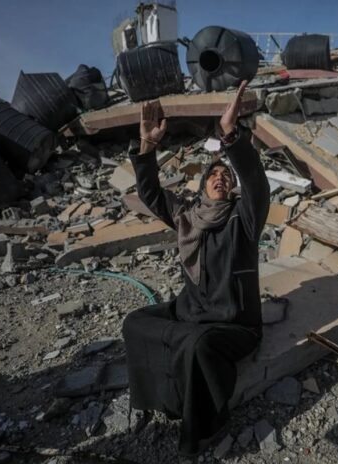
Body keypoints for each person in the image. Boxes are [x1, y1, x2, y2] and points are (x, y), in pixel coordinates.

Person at [122, 81, 269, 457]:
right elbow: (152, 195)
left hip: (233, 324)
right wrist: (148, 147)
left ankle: (200, 431)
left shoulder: (244, 220)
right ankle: (164, 401)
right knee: (135, 323)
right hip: (191, 312)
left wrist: (231, 134)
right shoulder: (188, 218)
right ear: (202, 186)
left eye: (227, 177)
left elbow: (256, 185)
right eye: (213, 176)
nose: (221, 178)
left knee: (198, 346)